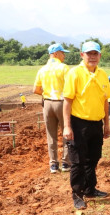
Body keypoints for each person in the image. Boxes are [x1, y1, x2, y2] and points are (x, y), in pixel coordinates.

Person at [63, 41, 110, 209]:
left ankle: (90, 188)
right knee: (78, 161)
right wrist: (67, 126)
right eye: (88, 53)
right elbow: (67, 101)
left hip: (96, 123)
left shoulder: (103, 74)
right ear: (82, 55)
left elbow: (105, 101)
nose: (92, 57)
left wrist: (106, 124)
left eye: (95, 53)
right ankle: (77, 193)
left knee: (94, 157)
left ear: (99, 56)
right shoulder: (74, 73)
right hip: (78, 123)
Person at [33, 43, 71, 174]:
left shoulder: (42, 69)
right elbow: (70, 88)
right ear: (56, 54)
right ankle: (66, 163)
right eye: (62, 52)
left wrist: (47, 94)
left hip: (47, 103)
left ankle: (53, 165)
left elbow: (35, 90)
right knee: (67, 131)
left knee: (51, 135)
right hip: (62, 103)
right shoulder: (64, 68)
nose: (64, 55)